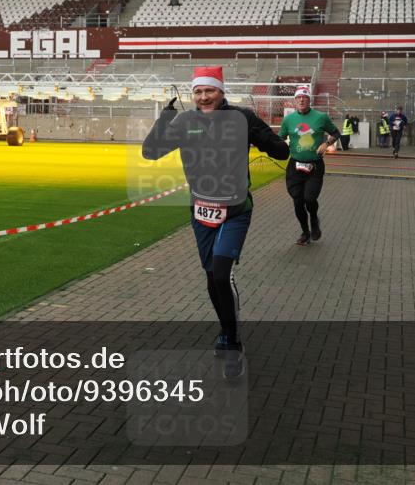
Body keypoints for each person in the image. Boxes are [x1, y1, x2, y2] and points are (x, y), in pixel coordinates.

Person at [142, 66, 289, 379]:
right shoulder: (184, 121)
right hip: (200, 210)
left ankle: (233, 341)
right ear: (193, 95)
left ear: (221, 91)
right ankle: (225, 329)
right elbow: (151, 152)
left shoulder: (243, 117)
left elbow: (281, 150)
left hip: (235, 210)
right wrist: (163, 120)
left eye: (209, 90)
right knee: (212, 277)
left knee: (222, 274)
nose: (204, 97)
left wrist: (262, 136)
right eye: (198, 92)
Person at [279, 85, 340, 246]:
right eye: (298, 97)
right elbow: (280, 139)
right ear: (294, 101)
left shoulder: (321, 117)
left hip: (315, 165)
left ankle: (313, 217)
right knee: (297, 201)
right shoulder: (288, 120)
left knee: (310, 198)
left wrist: (326, 143)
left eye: (304, 97)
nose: (301, 100)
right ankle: (305, 232)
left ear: (309, 100)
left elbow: (336, 133)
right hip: (295, 166)